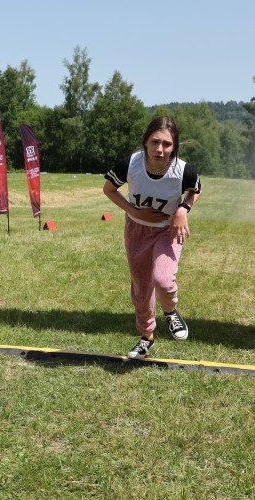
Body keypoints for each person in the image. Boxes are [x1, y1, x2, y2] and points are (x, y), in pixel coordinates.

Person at [103, 116, 202, 359]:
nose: (160, 149)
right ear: (145, 142)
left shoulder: (183, 171)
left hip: (168, 231)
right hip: (137, 230)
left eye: (166, 144)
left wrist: (182, 209)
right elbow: (109, 189)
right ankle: (146, 337)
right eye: (154, 142)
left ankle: (170, 311)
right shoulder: (131, 165)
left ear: (174, 146)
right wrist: (133, 210)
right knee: (141, 288)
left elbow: (196, 190)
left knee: (163, 279)